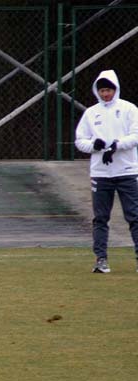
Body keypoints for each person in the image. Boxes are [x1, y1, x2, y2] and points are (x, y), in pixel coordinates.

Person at [75, 70, 138, 273]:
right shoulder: (91, 113)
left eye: (109, 90)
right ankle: (101, 259)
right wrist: (96, 145)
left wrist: (115, 146)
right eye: (102, 90)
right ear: (97, 91)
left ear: (115, 89)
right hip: (101, 174)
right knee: (101, 218)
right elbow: (80, 141)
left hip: (127, 171)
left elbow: (135, 136)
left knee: (134, 216)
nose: (105, 94)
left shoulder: (129, 109)